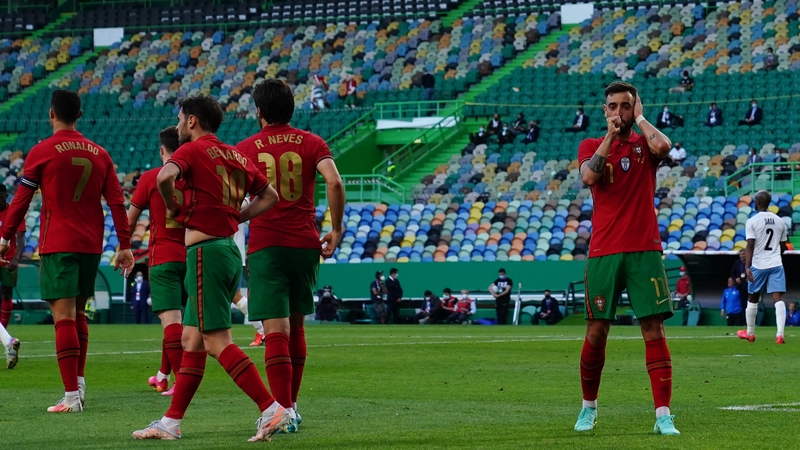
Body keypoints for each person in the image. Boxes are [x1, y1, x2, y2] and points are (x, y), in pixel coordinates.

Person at [132, 94, 286, 442]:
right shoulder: (234, 153)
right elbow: (271, 196)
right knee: (191, 340)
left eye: (180, 117)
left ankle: (271, 408)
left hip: (206, 252)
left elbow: (163, 179)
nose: (176, 124)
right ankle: (171, 423)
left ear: (192, 121)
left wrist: (175, 207)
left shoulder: (189, 150)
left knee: (217, 341)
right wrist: (237, 216)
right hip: (227, 249)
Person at [0, 89, 134, 413]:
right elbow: (117, 202)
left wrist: (5, 237)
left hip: (58, 243)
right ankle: (80, 383)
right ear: (80, 115)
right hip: (91, 246)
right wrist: (125, 245)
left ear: (51, 114)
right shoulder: (100, 154)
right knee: (78, 314)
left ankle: (71, 397)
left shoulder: (42, 151)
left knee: (62, 318)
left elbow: (21, 199)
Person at [236, 78, 344, 433]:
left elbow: (235, 199)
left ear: (260, 112)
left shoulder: (247, 148)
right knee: (296, 326)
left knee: (274, 330)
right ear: (292, 109)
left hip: (267, 245)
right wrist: (337, 228)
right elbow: (335, 182)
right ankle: (292, 406)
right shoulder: (312, 142)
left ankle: (279, 409)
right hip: (304, 244)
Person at [574, 81, 678, 435]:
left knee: (653, 328)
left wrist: (642, 118)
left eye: (625, 105)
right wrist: (609, 136)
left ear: (635, 108)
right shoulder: (590, 145)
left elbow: (664, 146)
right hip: (604, 251)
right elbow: (589, 175)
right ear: (604, 110)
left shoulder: (644, 145)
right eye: (612, 106)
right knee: (597, 331)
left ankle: (663, 415)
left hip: (645, 249)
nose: (618, 112)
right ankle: (588, 408)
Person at [127, 126, 187, 395]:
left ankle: (181, 383)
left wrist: (123, 250)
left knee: (171, 320)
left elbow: (130, 220)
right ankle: (162, 375)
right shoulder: (195, 178)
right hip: (194, 255)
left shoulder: (151, 178)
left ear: (162, 150)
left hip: (163, 257)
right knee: (177, 320)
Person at [738, 190, 788, 345]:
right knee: (778, 299)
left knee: (753, 298)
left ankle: (750, 333)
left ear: (758, 202)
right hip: (776, 264)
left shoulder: (752, 221)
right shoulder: (780, 221)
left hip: (759, 264)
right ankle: (780, 335)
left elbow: (750, 244)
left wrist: (747, 267)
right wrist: (775, 255)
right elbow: (783, 247)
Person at [0, 184, 26, 329]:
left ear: (5, 196)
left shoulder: (13, 212)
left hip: (8, 260)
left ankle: (3, 329)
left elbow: (21, 237)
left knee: (6, 294)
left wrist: (16, 258)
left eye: (1, 197)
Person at [730, 249, 749, 324]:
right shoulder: (737, 263)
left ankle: (752, 321)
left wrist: (750, 277)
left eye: (743, 254)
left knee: (750, 304)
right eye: (740, 254)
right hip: (741, 285)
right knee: (743, 304)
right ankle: (743, 321)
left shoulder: (750, 262)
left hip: (749, 285)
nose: (742, 256)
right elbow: (732, 272)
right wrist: (736, 279)